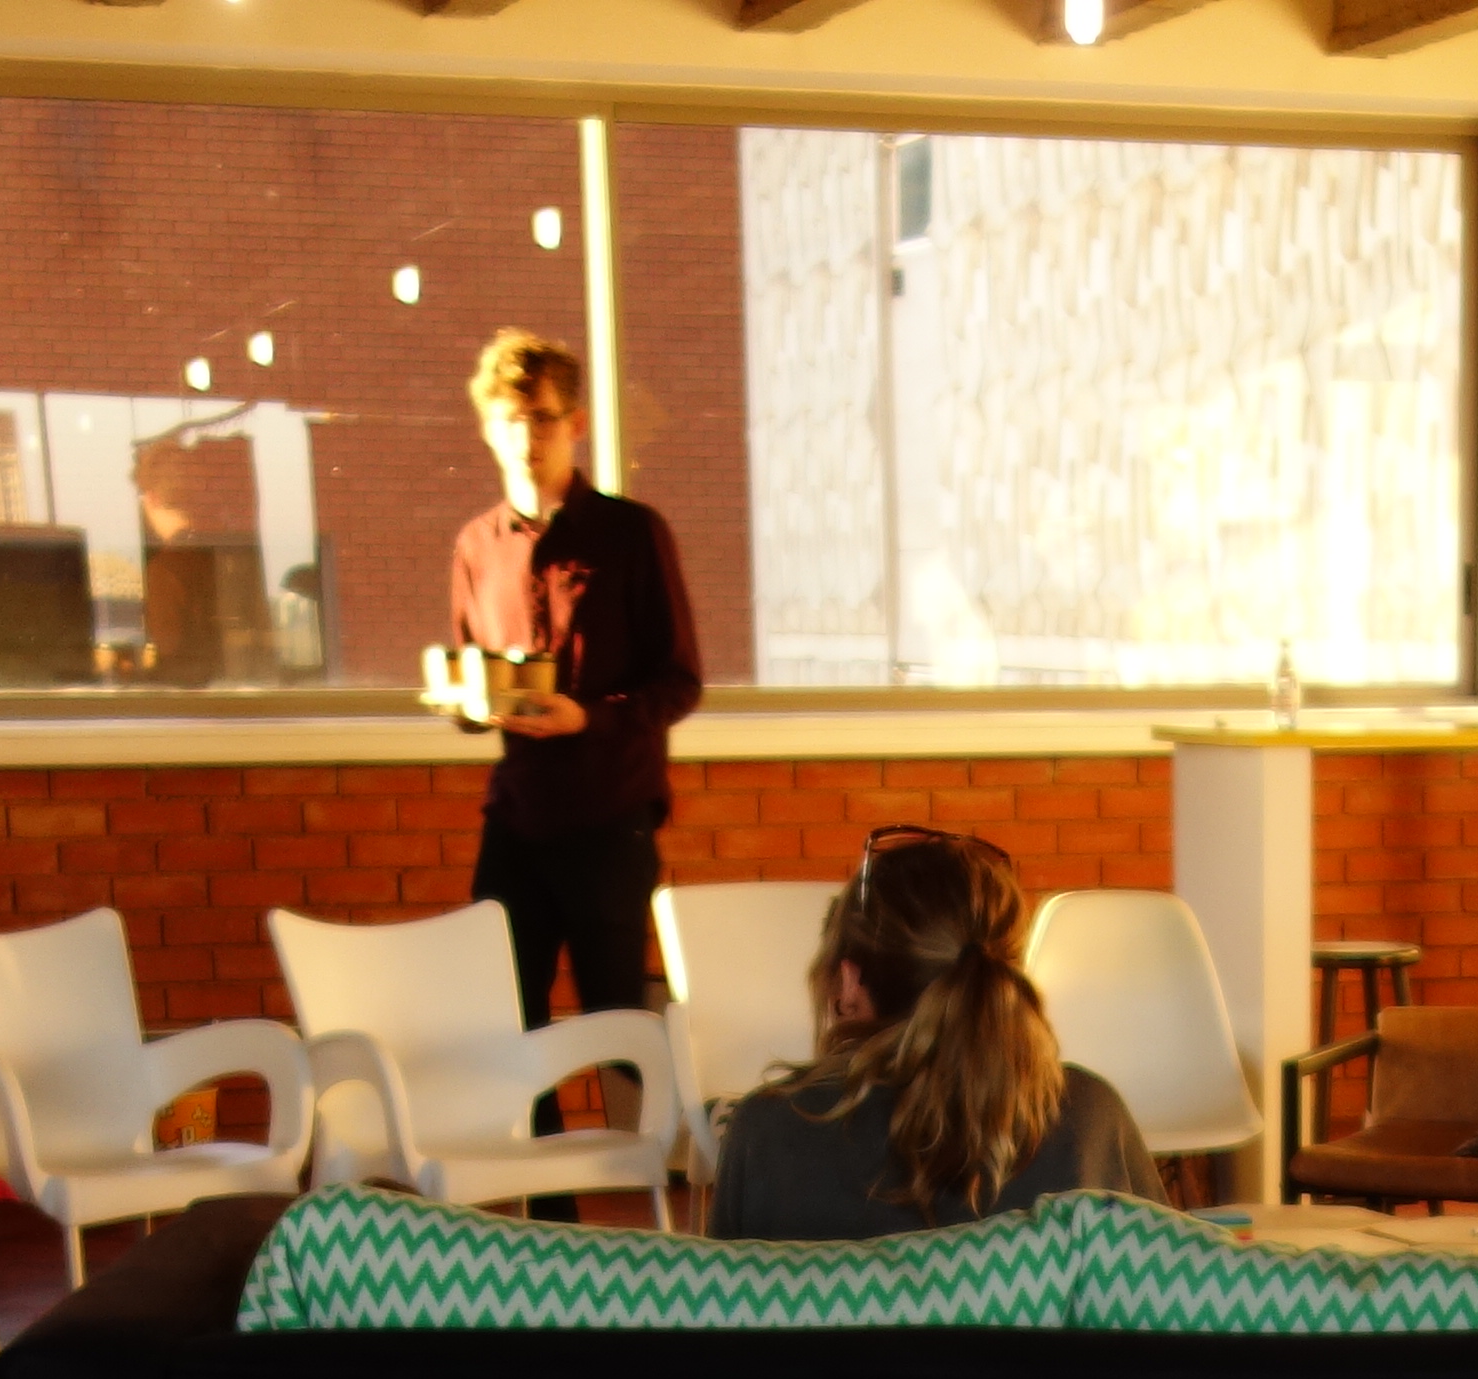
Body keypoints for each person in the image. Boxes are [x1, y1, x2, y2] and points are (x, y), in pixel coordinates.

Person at [708, 831, 1157, 1240]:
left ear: (847, 984)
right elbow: (1167, 1306)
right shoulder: (1090, 1120)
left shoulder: (769, 1133)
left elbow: (720, 1319)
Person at [448, 328, 703, 1039]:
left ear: (575, 425)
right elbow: (477, 673)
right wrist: (467, 705)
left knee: (616, 1022)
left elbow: (680, 682)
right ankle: (537, 1147)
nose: (527, 436)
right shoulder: (476, 546)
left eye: (542, 417)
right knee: (505, 1020)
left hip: (610, 817)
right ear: (487, 431)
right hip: (518, 815)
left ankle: (631, 1150)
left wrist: (586, 718)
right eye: (510, 419)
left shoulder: (632, 534)